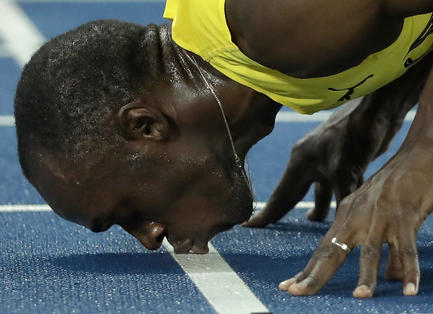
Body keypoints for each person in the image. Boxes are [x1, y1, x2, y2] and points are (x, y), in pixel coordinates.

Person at [14, 0, 433, 298]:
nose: (150, 237)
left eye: (129, 213)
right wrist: (381, 106)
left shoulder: (280, 23)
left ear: (146, 126)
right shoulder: (266, 55)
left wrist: (422, 152)